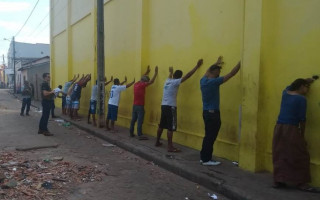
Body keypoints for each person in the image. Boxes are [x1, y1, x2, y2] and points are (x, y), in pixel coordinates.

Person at [272, 77, 319, 192]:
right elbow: (302, 120)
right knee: (300, 154)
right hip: (291, 128)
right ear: (301, 87)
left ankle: (279, 179)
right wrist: (302, 135)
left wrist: (306, 80)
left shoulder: (285, 93)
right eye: (307, 87)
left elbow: (289, 86)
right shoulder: (301, 99)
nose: (308, 90)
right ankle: (302, 183)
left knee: (280, 153)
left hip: (279, 127)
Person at [155, 59, 203, 152]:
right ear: (179, 77)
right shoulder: (176, 82)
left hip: (164, 105)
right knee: (170, 127)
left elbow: (170, 76)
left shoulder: (167, 81)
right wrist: (197, 66)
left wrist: (170, 72)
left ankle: (157, 141)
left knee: (161, 125)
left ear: (173, 76)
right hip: (171, 106)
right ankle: (170, 147)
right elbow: (188, 75)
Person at [200, 56, 240, 166]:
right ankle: (206, 160)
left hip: (206, 112)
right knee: (211, 137)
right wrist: (240, 62)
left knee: (207, 136)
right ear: (215, 72)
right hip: (213, 114)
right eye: (218, 72)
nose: (219, 74)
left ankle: (203, 157)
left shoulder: (203, 81)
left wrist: (216, 63)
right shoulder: (214, 82)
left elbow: (208, 70)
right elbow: (232, 73)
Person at [129, 66, 158, 140]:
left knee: (133, 120)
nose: (146, 83)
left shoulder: (136, 84)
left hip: (134, 105)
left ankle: (131, 133)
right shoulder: (142, 85)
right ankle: (140, 135)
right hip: (140, 106)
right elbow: (151, 82)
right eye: (146, 81)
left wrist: (147, 72)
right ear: (144, 82)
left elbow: (142, 78)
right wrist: (155, 73)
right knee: (140, 121)